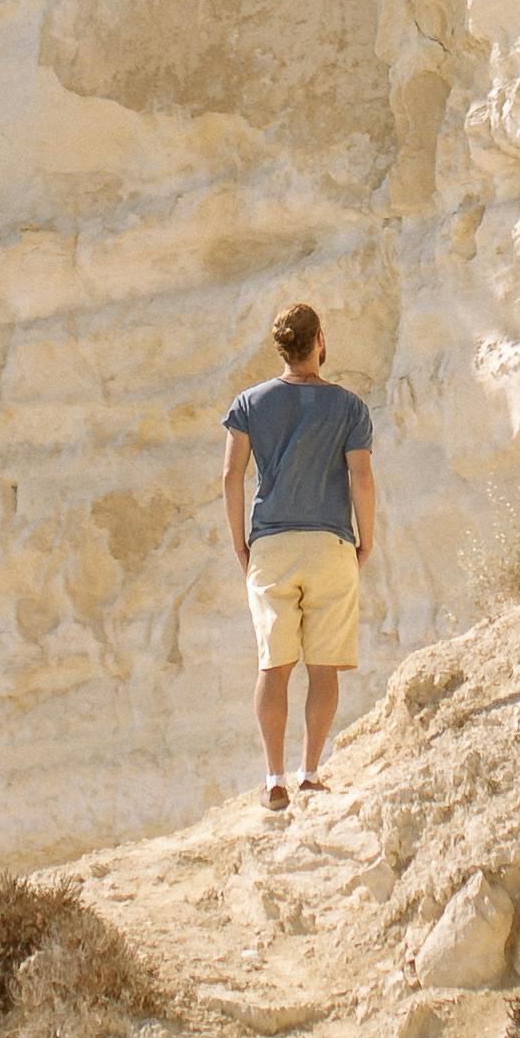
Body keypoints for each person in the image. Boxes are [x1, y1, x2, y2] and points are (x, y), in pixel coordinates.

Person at [221, 297, 376, 814]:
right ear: (320, 342)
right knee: (324, 665)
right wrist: (366, 538)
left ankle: (274, 779)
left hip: (271, 545)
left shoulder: (248, 404)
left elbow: (230, 477)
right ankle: (312, 772)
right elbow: (361, 475)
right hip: (331, 541)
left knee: (275, 665)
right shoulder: (350, 407)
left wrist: (241, 543)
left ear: (281, 347)